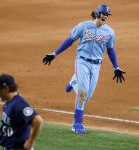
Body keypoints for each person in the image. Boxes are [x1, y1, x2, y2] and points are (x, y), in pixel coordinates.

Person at [42, 4, 126, 134]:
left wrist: (116, 66)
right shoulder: (83, 26)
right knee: (82, 93)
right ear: (97, 13)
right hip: (82, 62)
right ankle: (77, 124)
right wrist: (54, 53)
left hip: (97, 65)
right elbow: (70, 40)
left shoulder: (109, 32)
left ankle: (73, 82)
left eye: (107, 15)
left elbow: (110, 50)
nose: (105, 17)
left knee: (87, 96)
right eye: (104, 14)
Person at [0, 74, 43, 150]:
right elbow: (6, 129)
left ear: (6, 88)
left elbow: (38, 120)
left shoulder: (18, 104)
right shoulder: (8, 103)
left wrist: (30, 141)